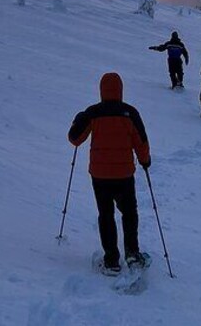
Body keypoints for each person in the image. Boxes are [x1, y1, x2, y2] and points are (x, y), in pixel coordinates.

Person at [68, 72, 151, 275]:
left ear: (101, 90)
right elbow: (141, 141)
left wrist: (78, 119)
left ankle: (112, 261)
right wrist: (145, 161)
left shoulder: (93, 113)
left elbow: (75, 139)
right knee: (129, 213)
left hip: (100, 175)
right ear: (120, 90)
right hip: (124, 174)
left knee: (106, 215)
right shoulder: (130, 113)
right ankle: (132, 254)